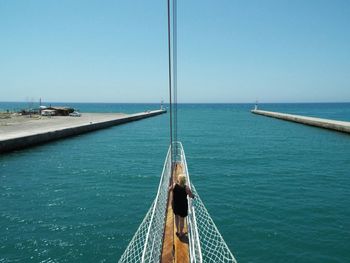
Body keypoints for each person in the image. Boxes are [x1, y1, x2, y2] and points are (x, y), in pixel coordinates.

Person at [169, 172, 194, 238]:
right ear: (184, 180)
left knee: (176, 217)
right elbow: (191, 195)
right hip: (183, 206)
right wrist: (194, 196)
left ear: (178, 180)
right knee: (182, 220)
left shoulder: (174, 185)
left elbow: (169, 189)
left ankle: (177, 231)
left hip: (175, 205)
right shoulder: (186, 188)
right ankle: (181, 233)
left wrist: (172, 188)